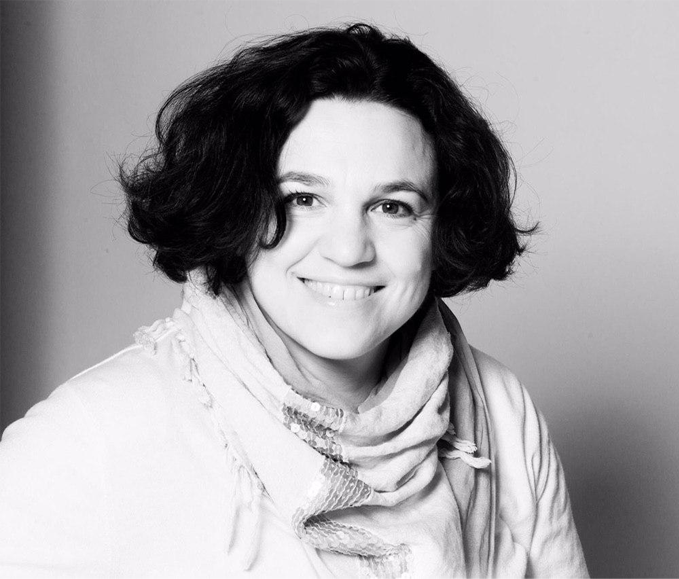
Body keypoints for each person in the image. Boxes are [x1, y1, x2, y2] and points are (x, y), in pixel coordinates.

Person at [0, 23, 587, 578]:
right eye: (303, 199)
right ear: (236, 208)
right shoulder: (87, 442)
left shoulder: (500, 411)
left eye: (392, 206)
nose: (348, 250)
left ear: (439, 232)